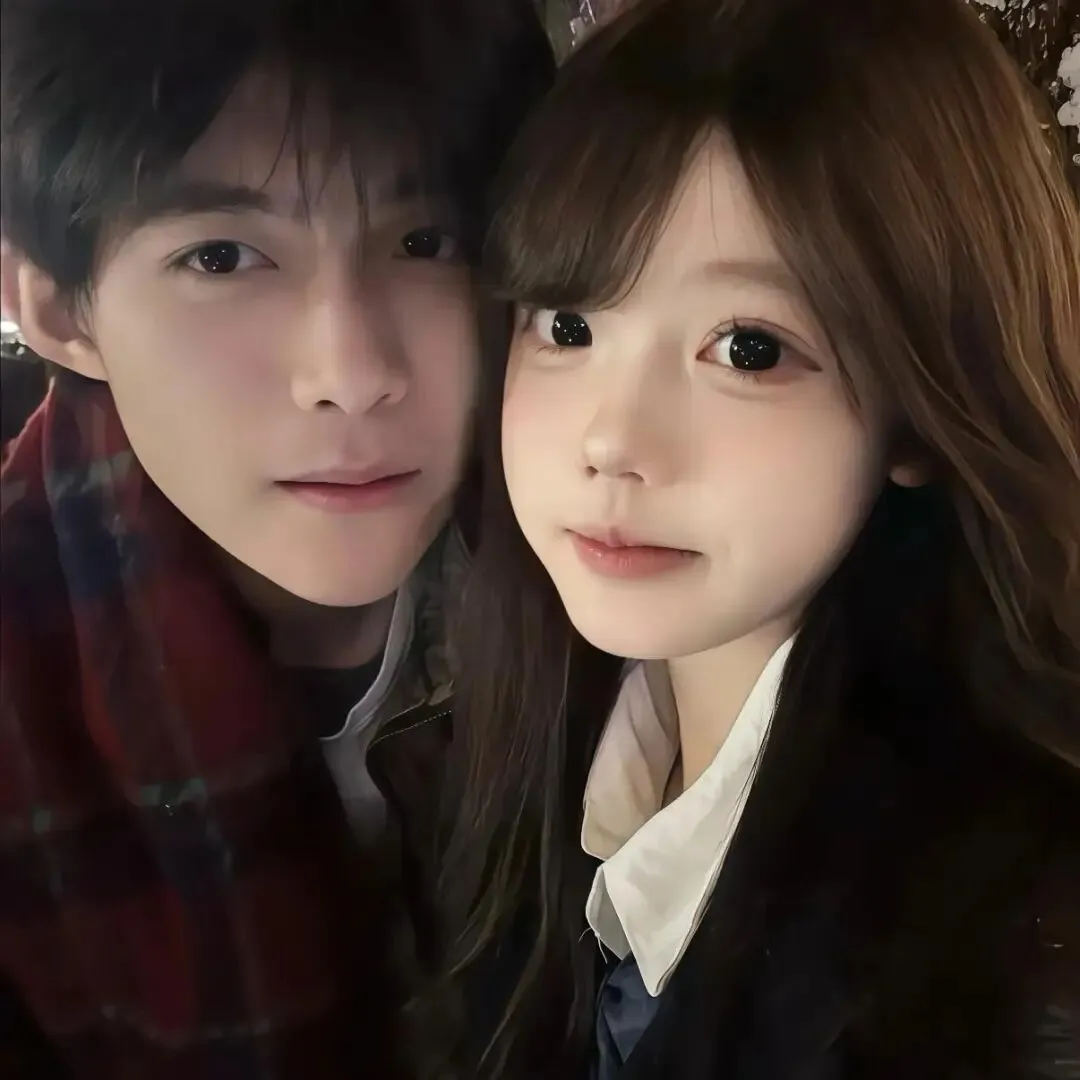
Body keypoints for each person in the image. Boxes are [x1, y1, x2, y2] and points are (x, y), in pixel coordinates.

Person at [374, 0, 1080, 1076]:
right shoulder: (511, 763)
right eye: (568, 327)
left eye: (748, 348)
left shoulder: (1015, 952)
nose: (612, 440)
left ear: (920, 402)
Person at [0, 0, 552, 1075]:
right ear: (61, 310)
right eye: (221, 257)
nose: (351, 373)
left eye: (428, 242)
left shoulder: (628, 568)